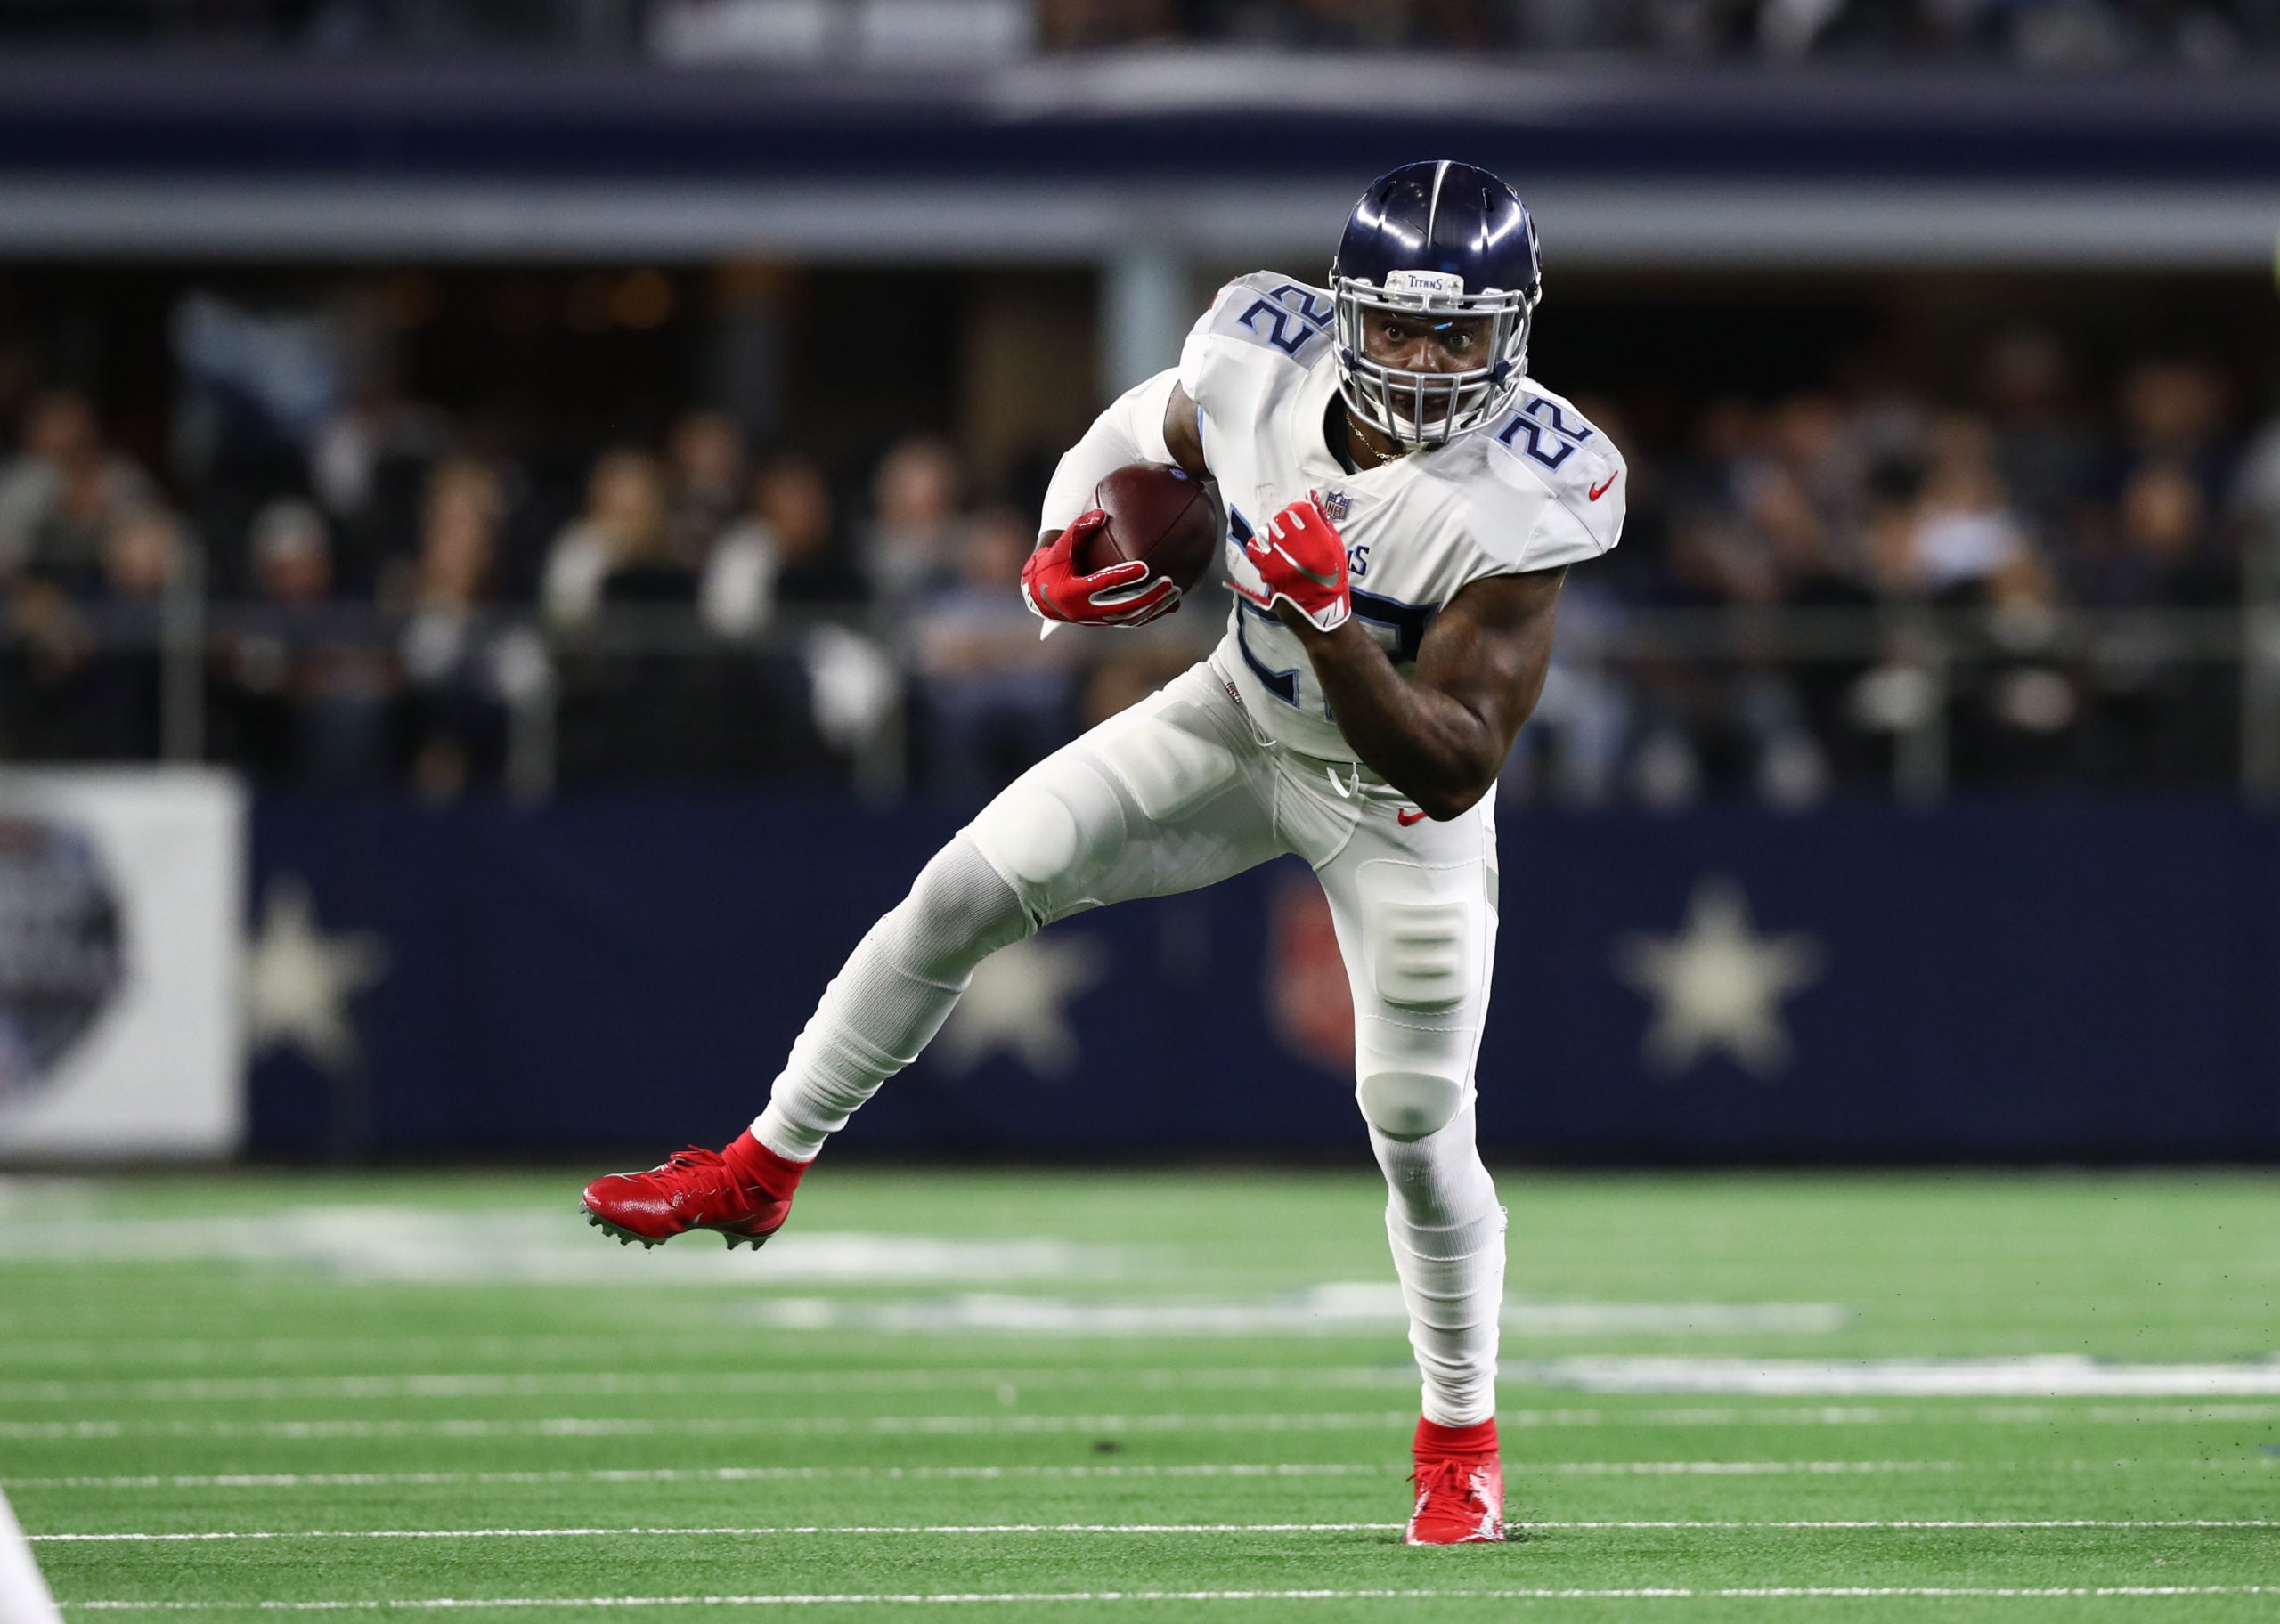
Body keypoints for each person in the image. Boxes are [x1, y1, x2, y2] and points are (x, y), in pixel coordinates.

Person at [579, 162, 1624, 1547]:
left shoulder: (1535, 486)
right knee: (962, 887)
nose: (1426, 362)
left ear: (1514, 332)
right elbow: (1143, 428)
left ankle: (1459, 1442)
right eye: (1399, 326)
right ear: (1343, 313)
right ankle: (760, 1167)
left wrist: (1328, 627)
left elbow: (1454, 756)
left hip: (1398, 809)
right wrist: (1058, 543)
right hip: (1238, 716)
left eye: (1457, 333)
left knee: (1418, 1125)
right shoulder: (1262, 354)